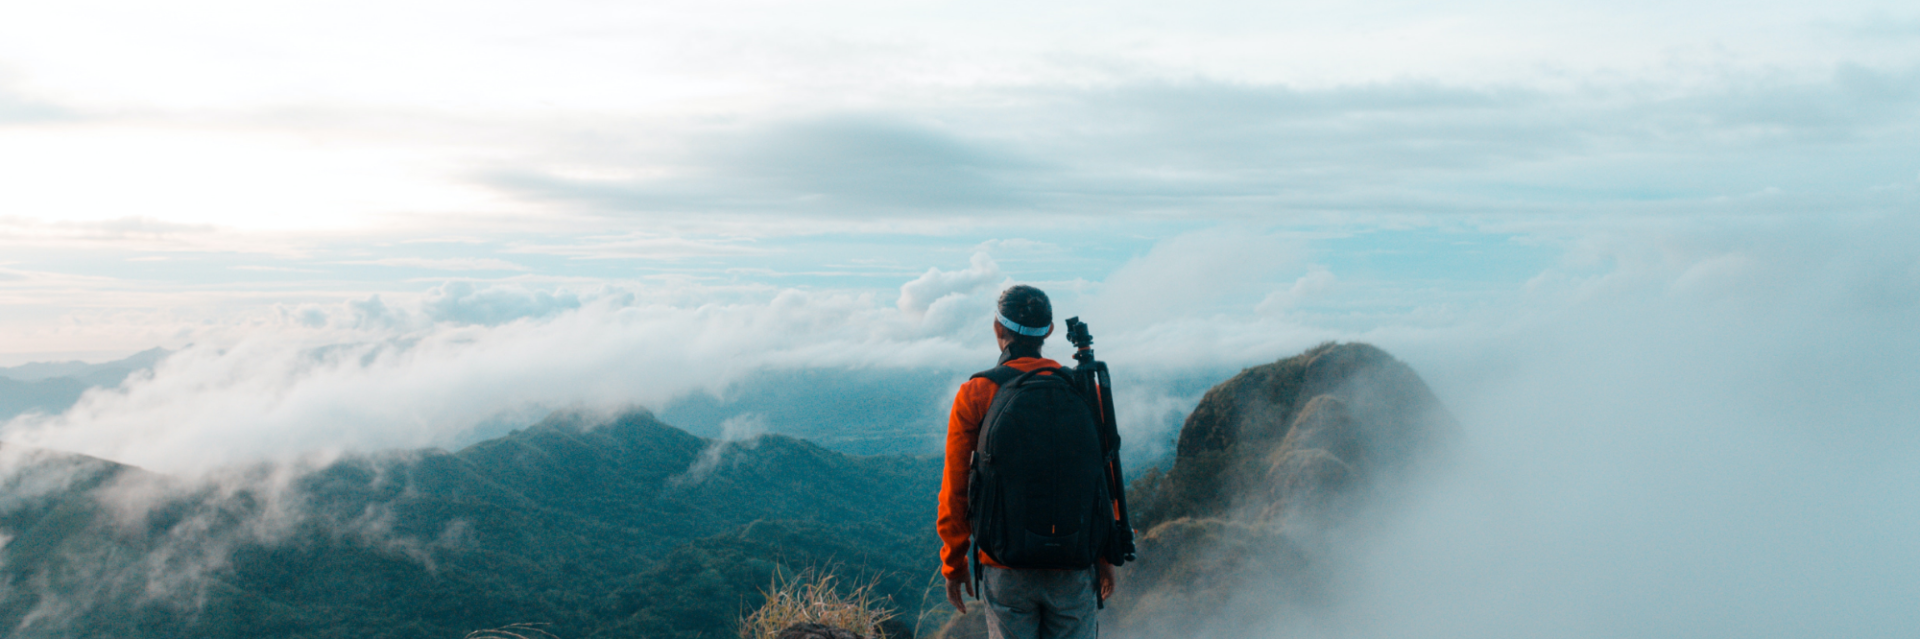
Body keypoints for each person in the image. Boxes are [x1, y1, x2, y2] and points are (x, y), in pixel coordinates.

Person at [938, 285, 1116, 639]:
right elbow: (1105, 478)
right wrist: (1105, 555)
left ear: (997, 328)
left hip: (1005, 563)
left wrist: (953, 561)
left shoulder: (976, 393)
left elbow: (957, 487)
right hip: (1074, 559)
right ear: (1048, 332)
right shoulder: (1085, 390)